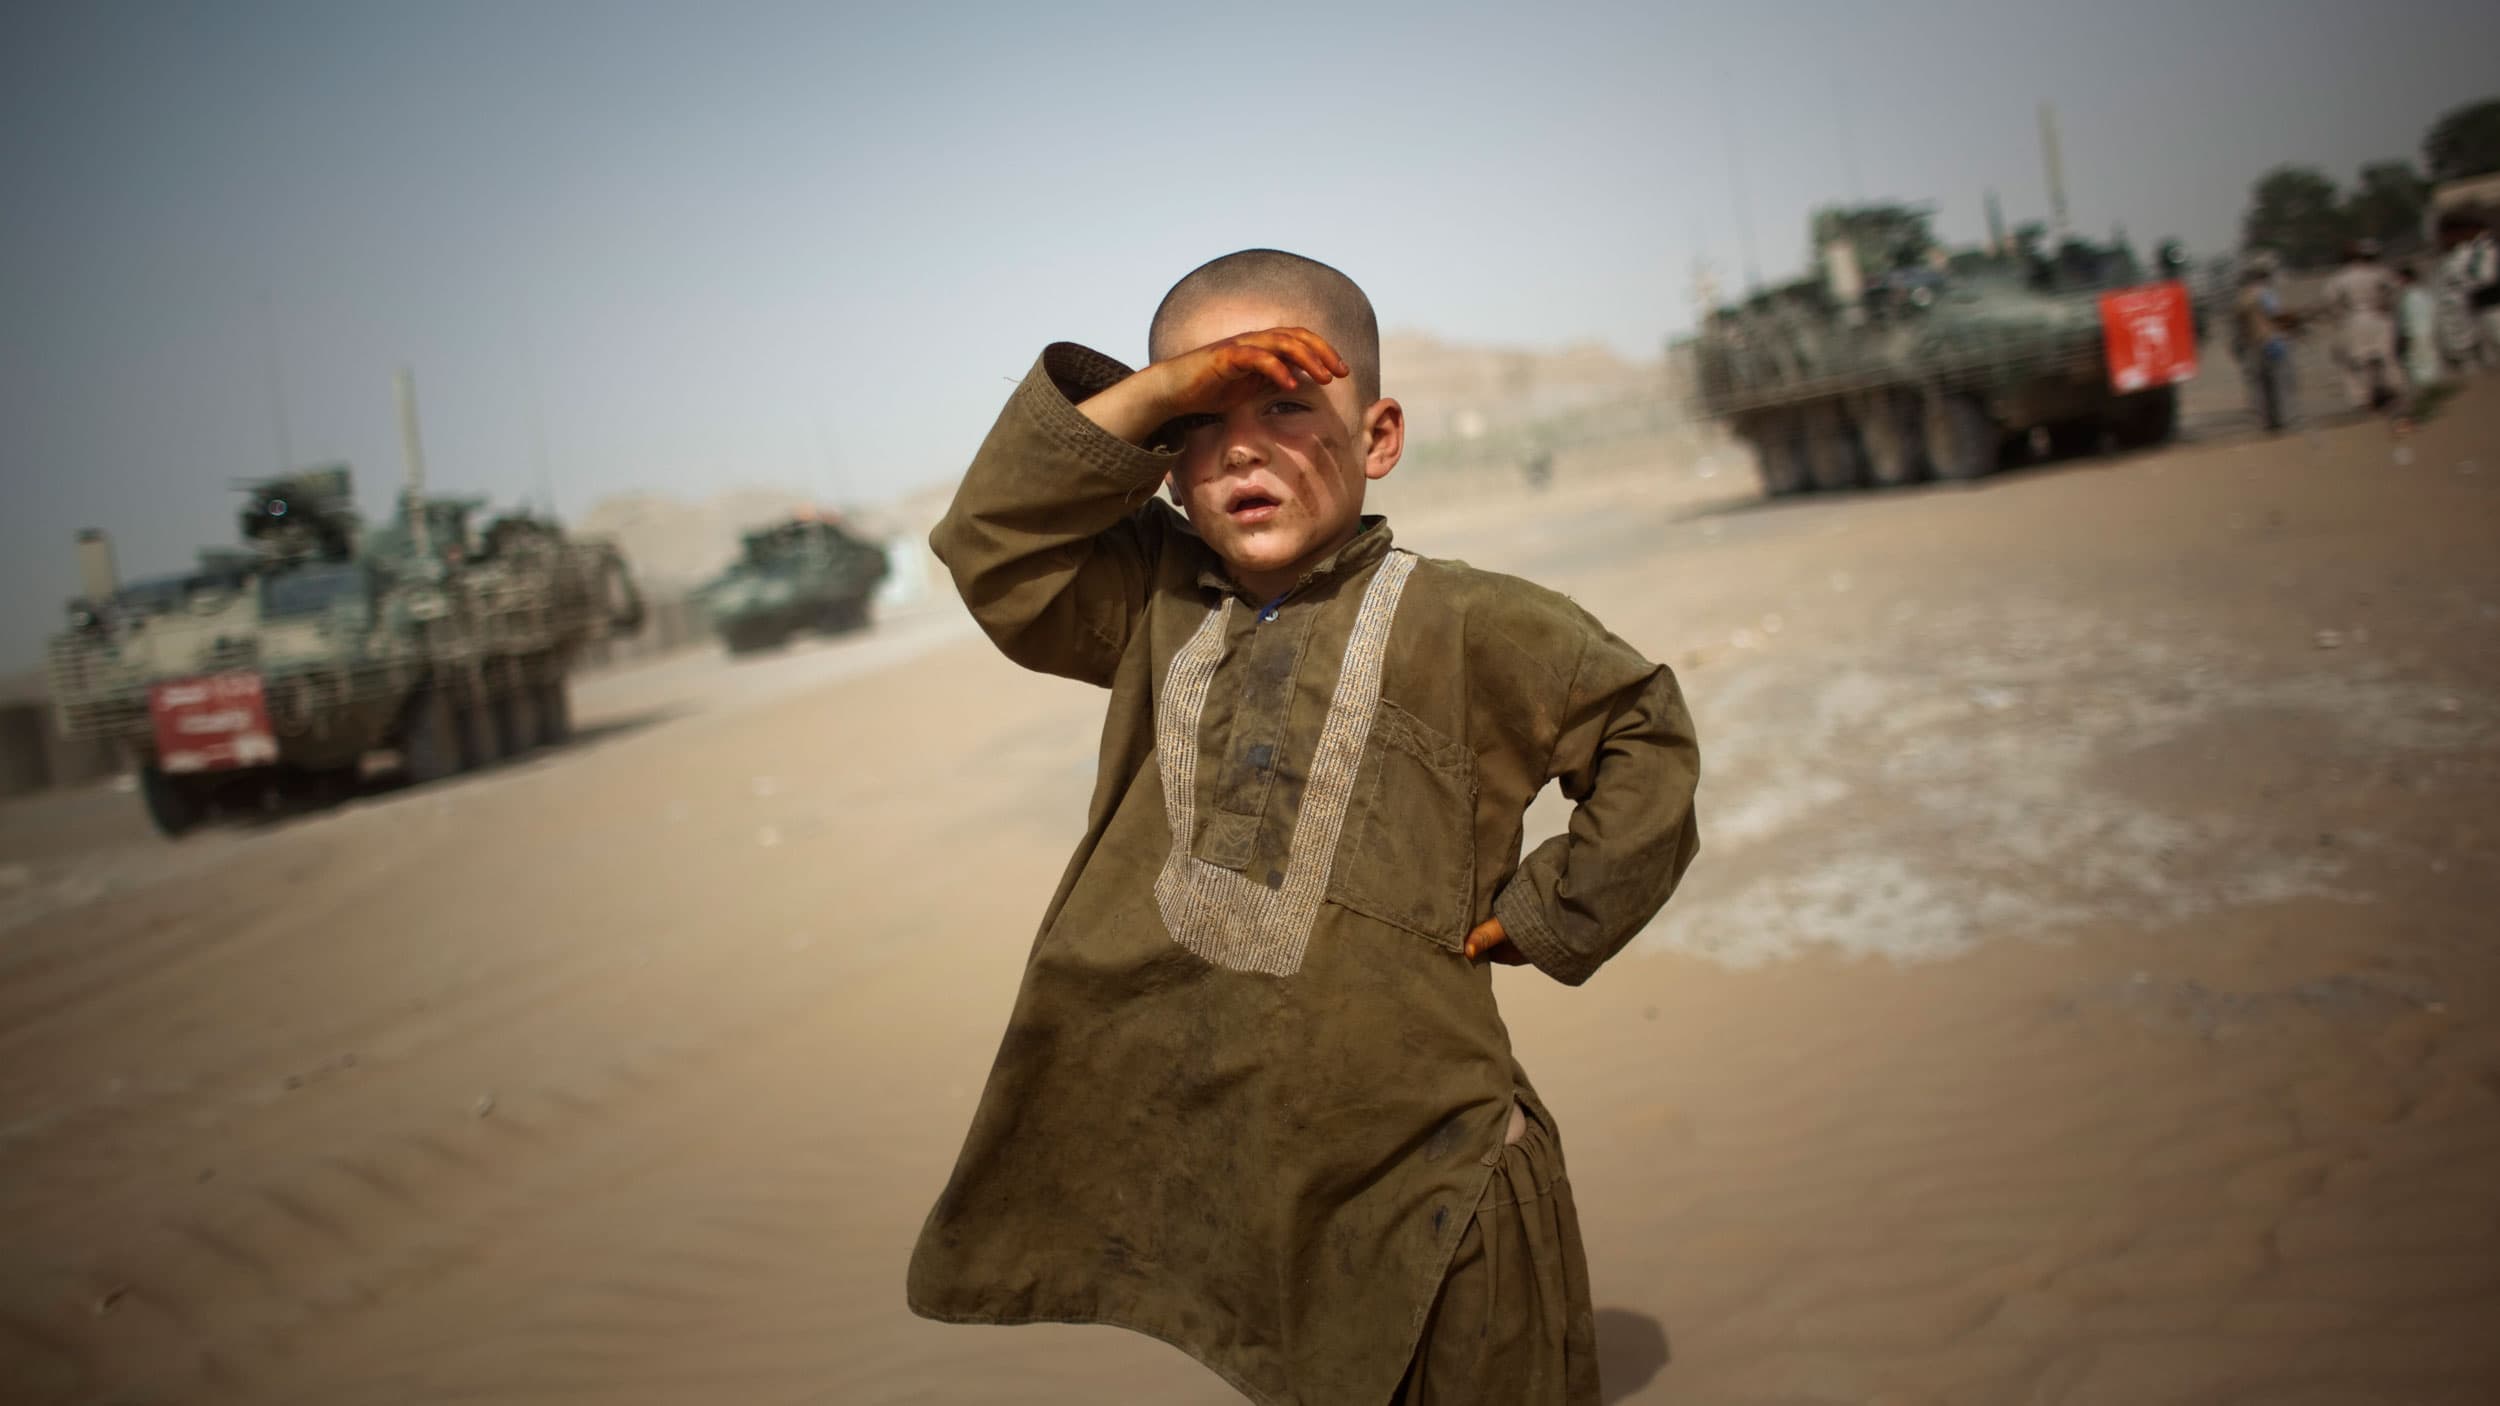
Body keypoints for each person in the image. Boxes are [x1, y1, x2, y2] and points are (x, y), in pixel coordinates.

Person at [906, 249, 1703, 1406]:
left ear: (1378, 437)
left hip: (1439, 1184)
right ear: (1166, 462)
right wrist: (1149, 391)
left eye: (1285, 405)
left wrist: (1553, 911)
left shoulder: (1471, 620)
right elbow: (993, 542)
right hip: (1260, 1194)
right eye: (1202, 418)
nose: (1241, 448)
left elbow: (1644, 728)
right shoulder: (1147, 606)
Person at [2321, 239, 2406, 419]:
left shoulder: (2339, 278)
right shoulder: (2376, 272)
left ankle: (2366, 401)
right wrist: (2387, 304)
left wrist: (2341, 317)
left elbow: (2330, 303)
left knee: (2360, 363)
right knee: (2387, 357)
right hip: (2379, 318)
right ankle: (2396, 393)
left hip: (2354, 321)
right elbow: (2396, 286)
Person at [2232, 253, 2299, 432]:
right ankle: (2282, 419)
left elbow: (2239, 326)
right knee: (2279, 382)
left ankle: (2267, 422)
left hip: (2253, 346)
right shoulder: (2265, 294)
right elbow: (2277, 315)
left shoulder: (2242, 297)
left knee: (2259, 386)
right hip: (2272, 342)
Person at [2398, 262, 2443, 391]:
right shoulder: (2420, 293)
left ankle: (2430, 387)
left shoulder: (2412, 295)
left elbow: (2408, 318)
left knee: (2422, 360)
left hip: (2418, 332)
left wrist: (2406, 333)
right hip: (2424, 331)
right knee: (2425, 358)